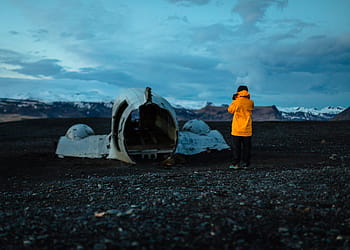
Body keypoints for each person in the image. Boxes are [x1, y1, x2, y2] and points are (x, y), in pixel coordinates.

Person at [227, 85, 254, 169]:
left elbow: (230, 110)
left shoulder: (236, 102)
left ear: (238, 92)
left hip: (237, 129)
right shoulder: (250, 102)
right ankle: (246, 164)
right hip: (247, 129)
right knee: (247, 148)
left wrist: (234, 99)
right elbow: (251, 108)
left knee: (236, 148)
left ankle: (235, 164)